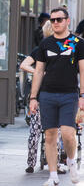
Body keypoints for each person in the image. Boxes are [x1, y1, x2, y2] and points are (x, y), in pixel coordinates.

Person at [29, 7, 84, 186]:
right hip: (47, 95)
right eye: (52, 20)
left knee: (68, 134)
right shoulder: (45, 44)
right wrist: (33, 97)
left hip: (69, 94)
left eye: (59, 20)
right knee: (50, 135)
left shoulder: (78, 43)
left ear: (68, 21)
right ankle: (53, 176)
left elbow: (83, 71)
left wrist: (82, 95)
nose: (55, 23)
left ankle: (71, 161)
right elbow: (38, 71)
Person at [20, 21, 65, 174]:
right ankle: (56, 164)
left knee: (35, 131)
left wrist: (36, 72)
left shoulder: (39, 49)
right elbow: (24, 65)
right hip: (48, 96)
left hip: (41, 96)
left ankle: (31, 163)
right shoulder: (59, 49)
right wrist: (39, 73)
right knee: (55, 132)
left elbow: (24, 65)